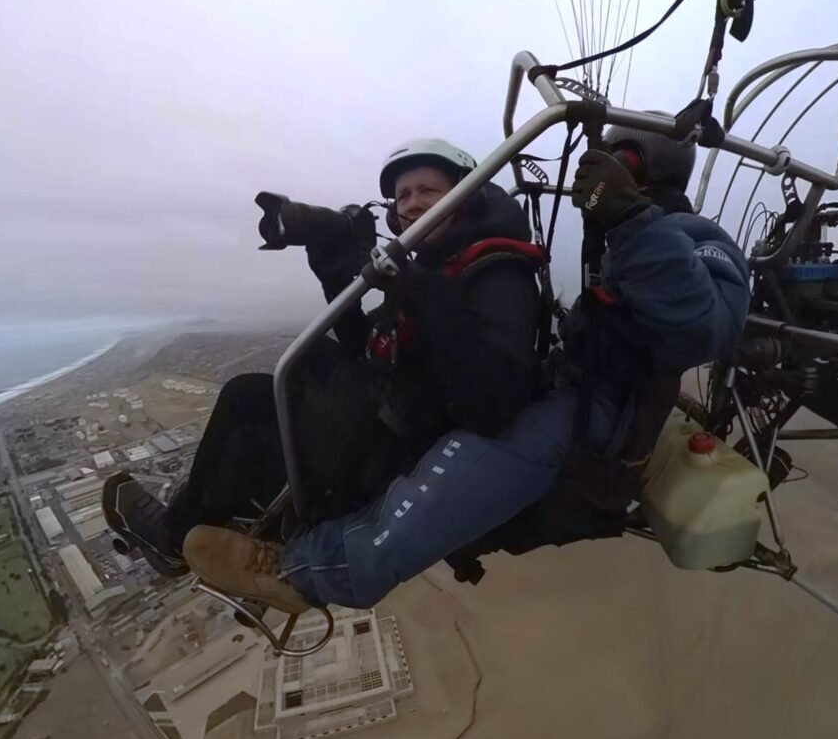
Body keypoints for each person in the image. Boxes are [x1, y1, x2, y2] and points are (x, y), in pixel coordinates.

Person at [181, 140, 752, 614]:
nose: (410, 205)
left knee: (476, 456)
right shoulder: (616, 236)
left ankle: (307, 571)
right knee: (284, 389)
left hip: (599, 409)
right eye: (402, 196)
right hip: (572, 382)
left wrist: (632, 218)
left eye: (621, 163)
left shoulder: (694, 237)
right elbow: (381, 349)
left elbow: (701, 332)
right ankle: (196, 523)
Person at [103, 138, 543, 578]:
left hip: (401, 451)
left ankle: (173, 541)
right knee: (312, 357)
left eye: (427, 190)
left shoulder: (497, 272)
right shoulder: (433, 264)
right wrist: (335, 280)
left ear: (466, 194)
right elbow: (367, 345)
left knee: (245, 400)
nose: (411, 205)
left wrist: (419, 294)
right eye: (403, 196)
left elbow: (492, 407)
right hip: (388, 412)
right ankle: (230, 500)